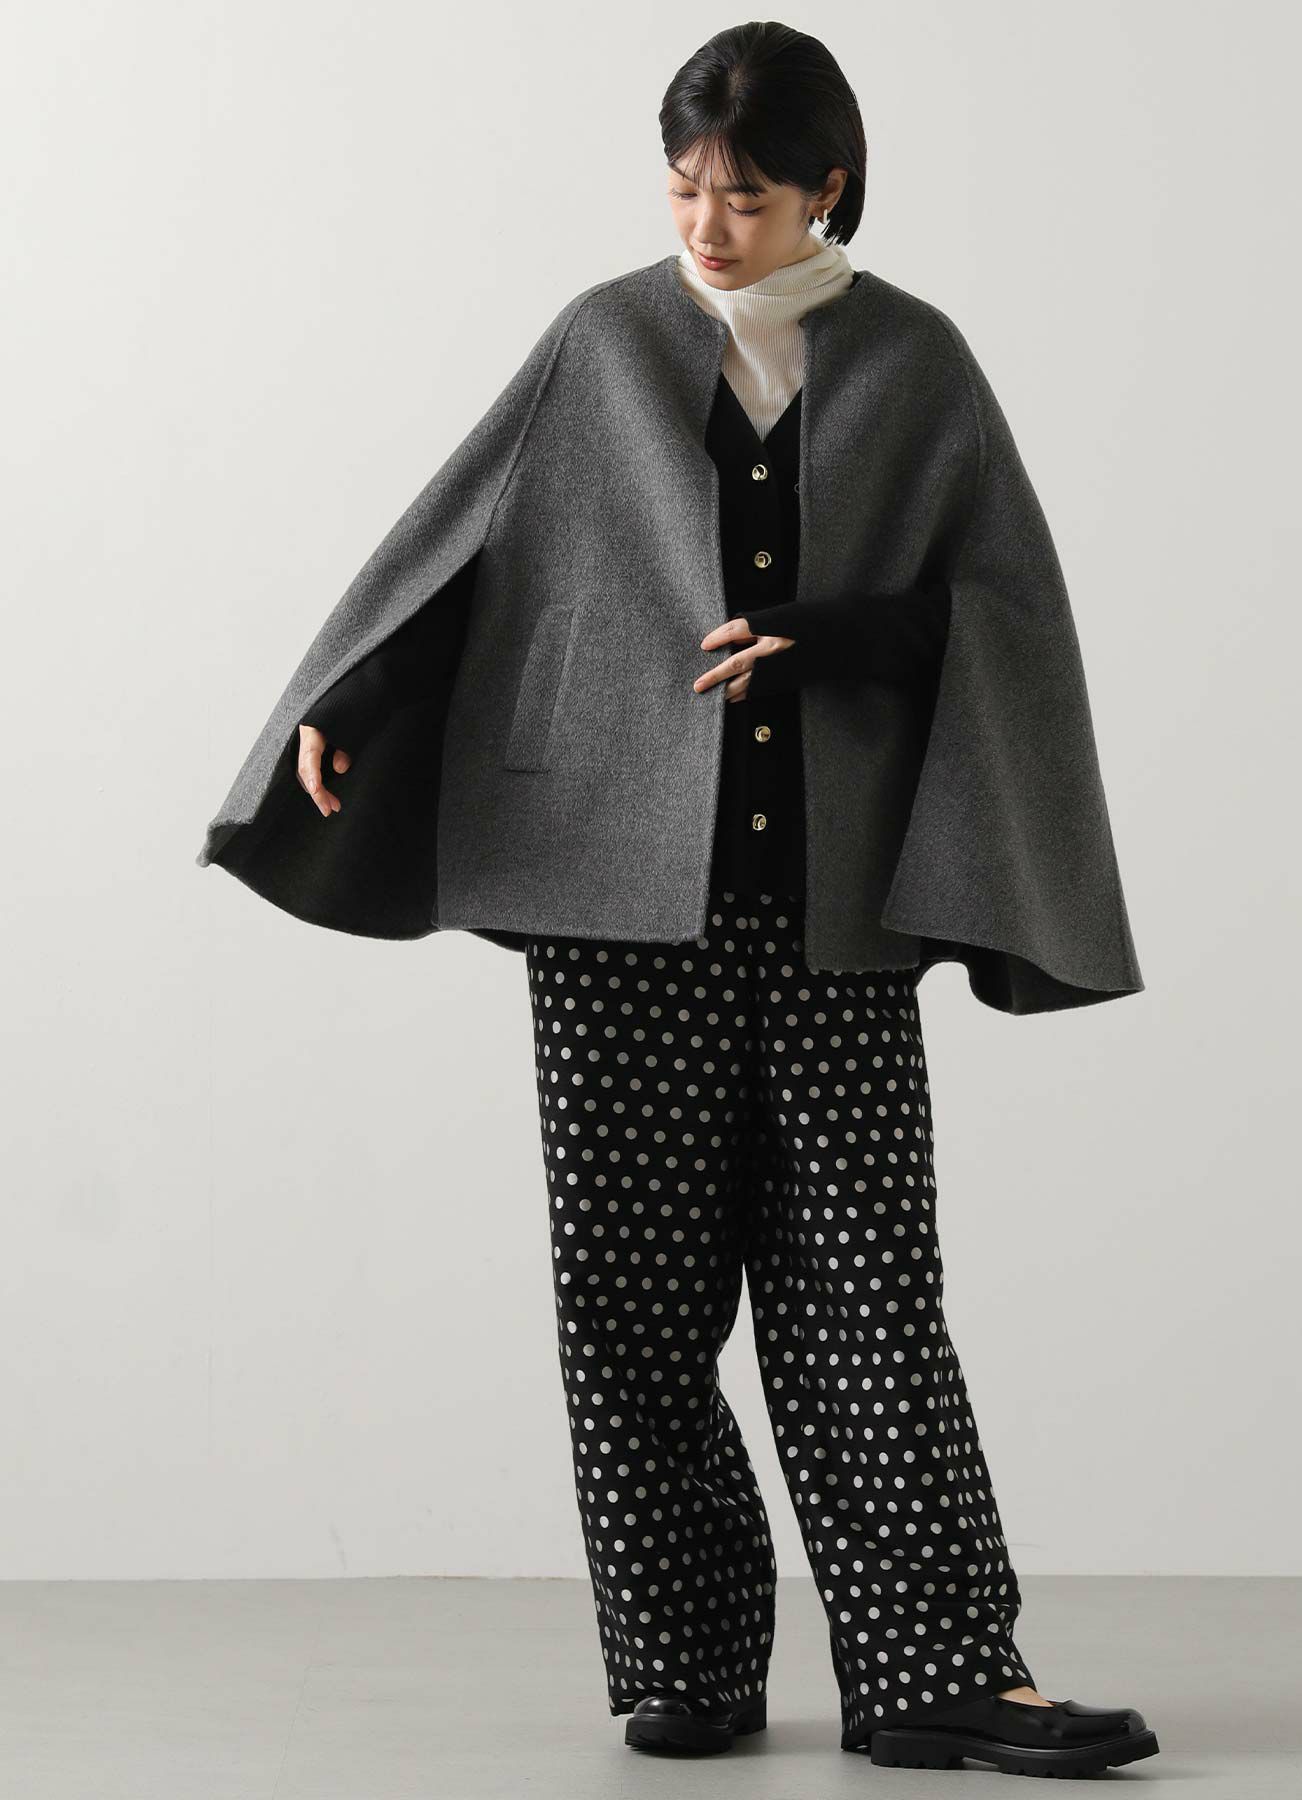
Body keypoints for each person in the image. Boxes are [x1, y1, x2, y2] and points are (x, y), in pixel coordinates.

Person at [197, 20, 1154, 1780]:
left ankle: (935, 1672)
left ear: (829, 189)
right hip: (616, 907)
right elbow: (472, 542)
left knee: (868, 1294)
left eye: (750, 195)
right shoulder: (605, 339)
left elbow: (1007, 613)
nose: (711, 226)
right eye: (687, 189)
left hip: (833, 913)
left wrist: (837, 635)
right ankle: (690, 1660)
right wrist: (352, 699)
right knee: (631, 1305)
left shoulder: (919, 361)